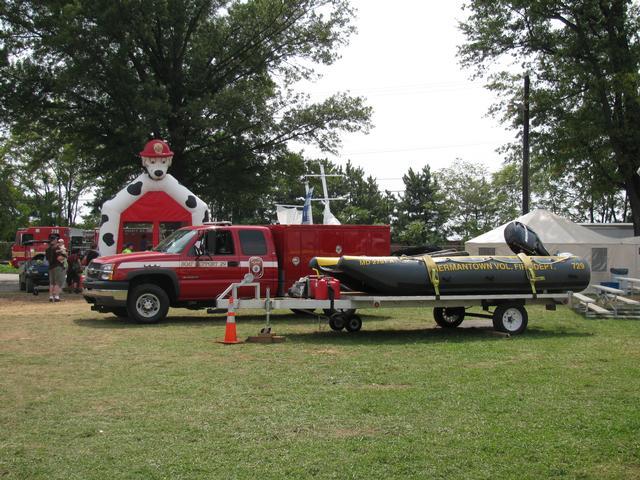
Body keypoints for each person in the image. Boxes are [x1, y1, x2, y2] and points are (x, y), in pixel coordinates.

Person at [45, 237, 67, 302]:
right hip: (57, 266)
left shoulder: (47, 249)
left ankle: (51, 297)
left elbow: (47, 259)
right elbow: (59, 258)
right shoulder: (57, 248)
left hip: (50, 267)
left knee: (52, 283)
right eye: (56, 240)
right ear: (54, 241)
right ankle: (57, 297)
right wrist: (65, 256)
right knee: (57, 282)